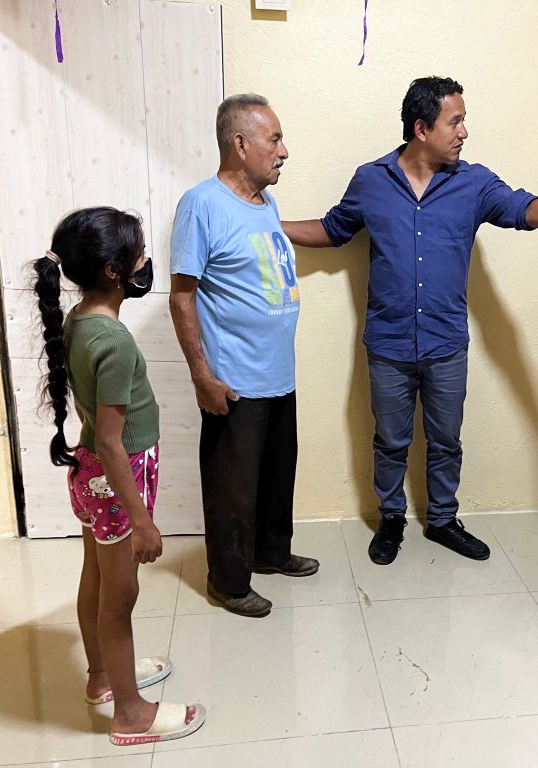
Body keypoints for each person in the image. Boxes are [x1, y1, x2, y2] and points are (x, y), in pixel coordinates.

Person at [283, 76, 538, 566]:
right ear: (422, 128)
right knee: (390, 441)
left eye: (463, 121)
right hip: (389, 344)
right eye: (455, 122)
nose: (464, 132)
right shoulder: (371, 180)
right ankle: (391, 518)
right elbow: (333, 229)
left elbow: (524, 207)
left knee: (445, 440)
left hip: (445, 344)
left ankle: (442, 520)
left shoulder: (473, 183)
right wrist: (268, 224)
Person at [33, 206, 205, 746]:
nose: (145, 260)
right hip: (116, 478)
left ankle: (102, 677)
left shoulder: (80, 320)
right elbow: (111, 441)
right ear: (114, 270)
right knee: (120, 597)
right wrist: (142, 522)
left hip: (93, 476)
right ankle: (130, 713)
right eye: (138, 253)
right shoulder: (113, 341)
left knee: (96, 578)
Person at [169, 94, 318, 619]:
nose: (284, 151)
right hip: (233, 380)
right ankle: (228, 582)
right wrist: (201, 375)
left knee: (277, 476)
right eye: (274, 139)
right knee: (232, 489)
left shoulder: (265, 202)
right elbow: (182, 296)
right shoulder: (201, 204)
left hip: (278, 373)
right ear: (240, 144)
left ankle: (271, 552)